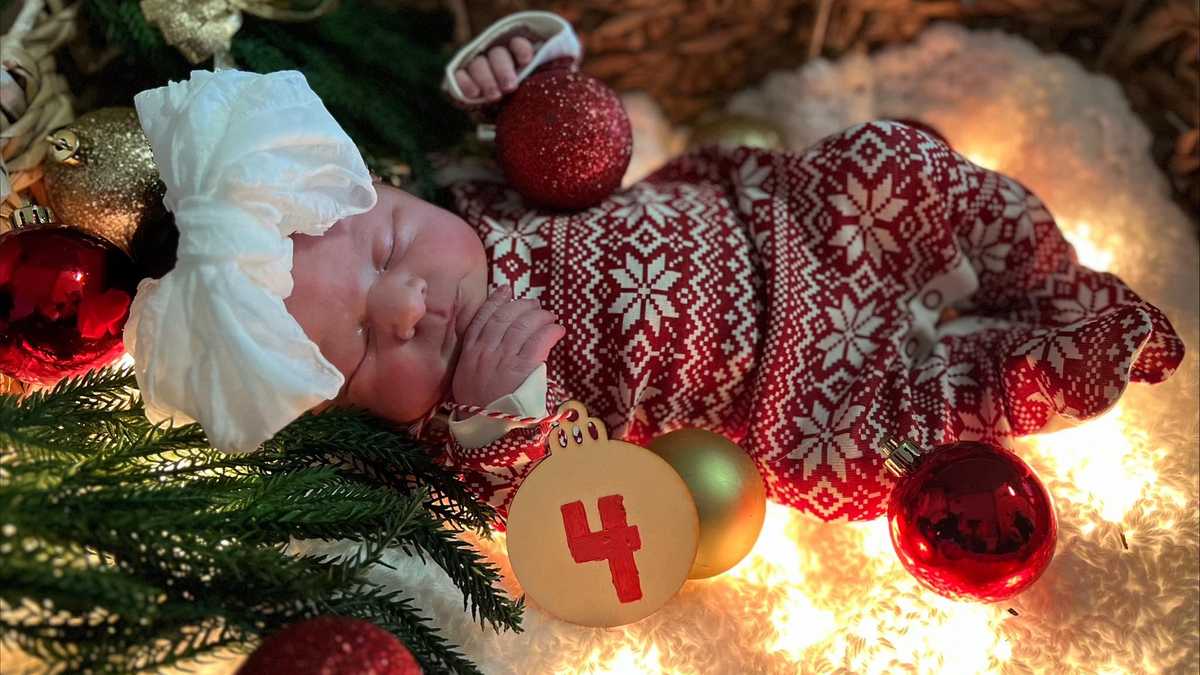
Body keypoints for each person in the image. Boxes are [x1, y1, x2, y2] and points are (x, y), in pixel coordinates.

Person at [126, 12, 1184, 522]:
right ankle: (1065, 354)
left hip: (792, 224)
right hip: (793, 396)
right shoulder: (471, 436)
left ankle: (1043, 280)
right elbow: (574, 514)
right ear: (339, 407)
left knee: (898, 162)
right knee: (897, 451)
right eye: (361, 345)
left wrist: (534, 86)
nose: (408, 306)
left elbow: (589, 152)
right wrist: (508, 419)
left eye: (394, 248)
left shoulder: (476, 195)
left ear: (396, 191)